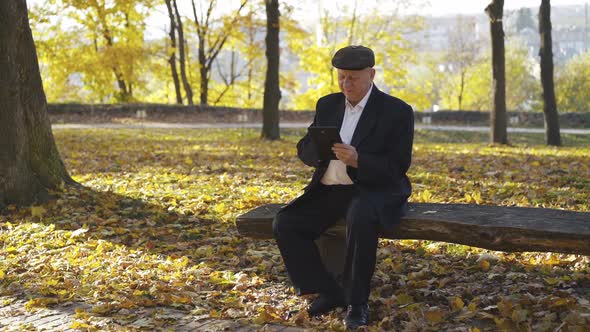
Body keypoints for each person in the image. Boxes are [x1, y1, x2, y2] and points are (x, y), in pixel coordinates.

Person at [272, 45, 414, 329]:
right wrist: (319, 150)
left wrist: (360, 160)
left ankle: (357, 302)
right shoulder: (328, 104)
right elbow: (304, 148)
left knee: (360, 218)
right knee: (285, 223)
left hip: (375, 189)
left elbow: (397, 167)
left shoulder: (396, 111)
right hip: (332, 188)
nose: (346, 84)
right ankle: (330, 291)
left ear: (371, 74)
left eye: (353, 78)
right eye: (342, 77)